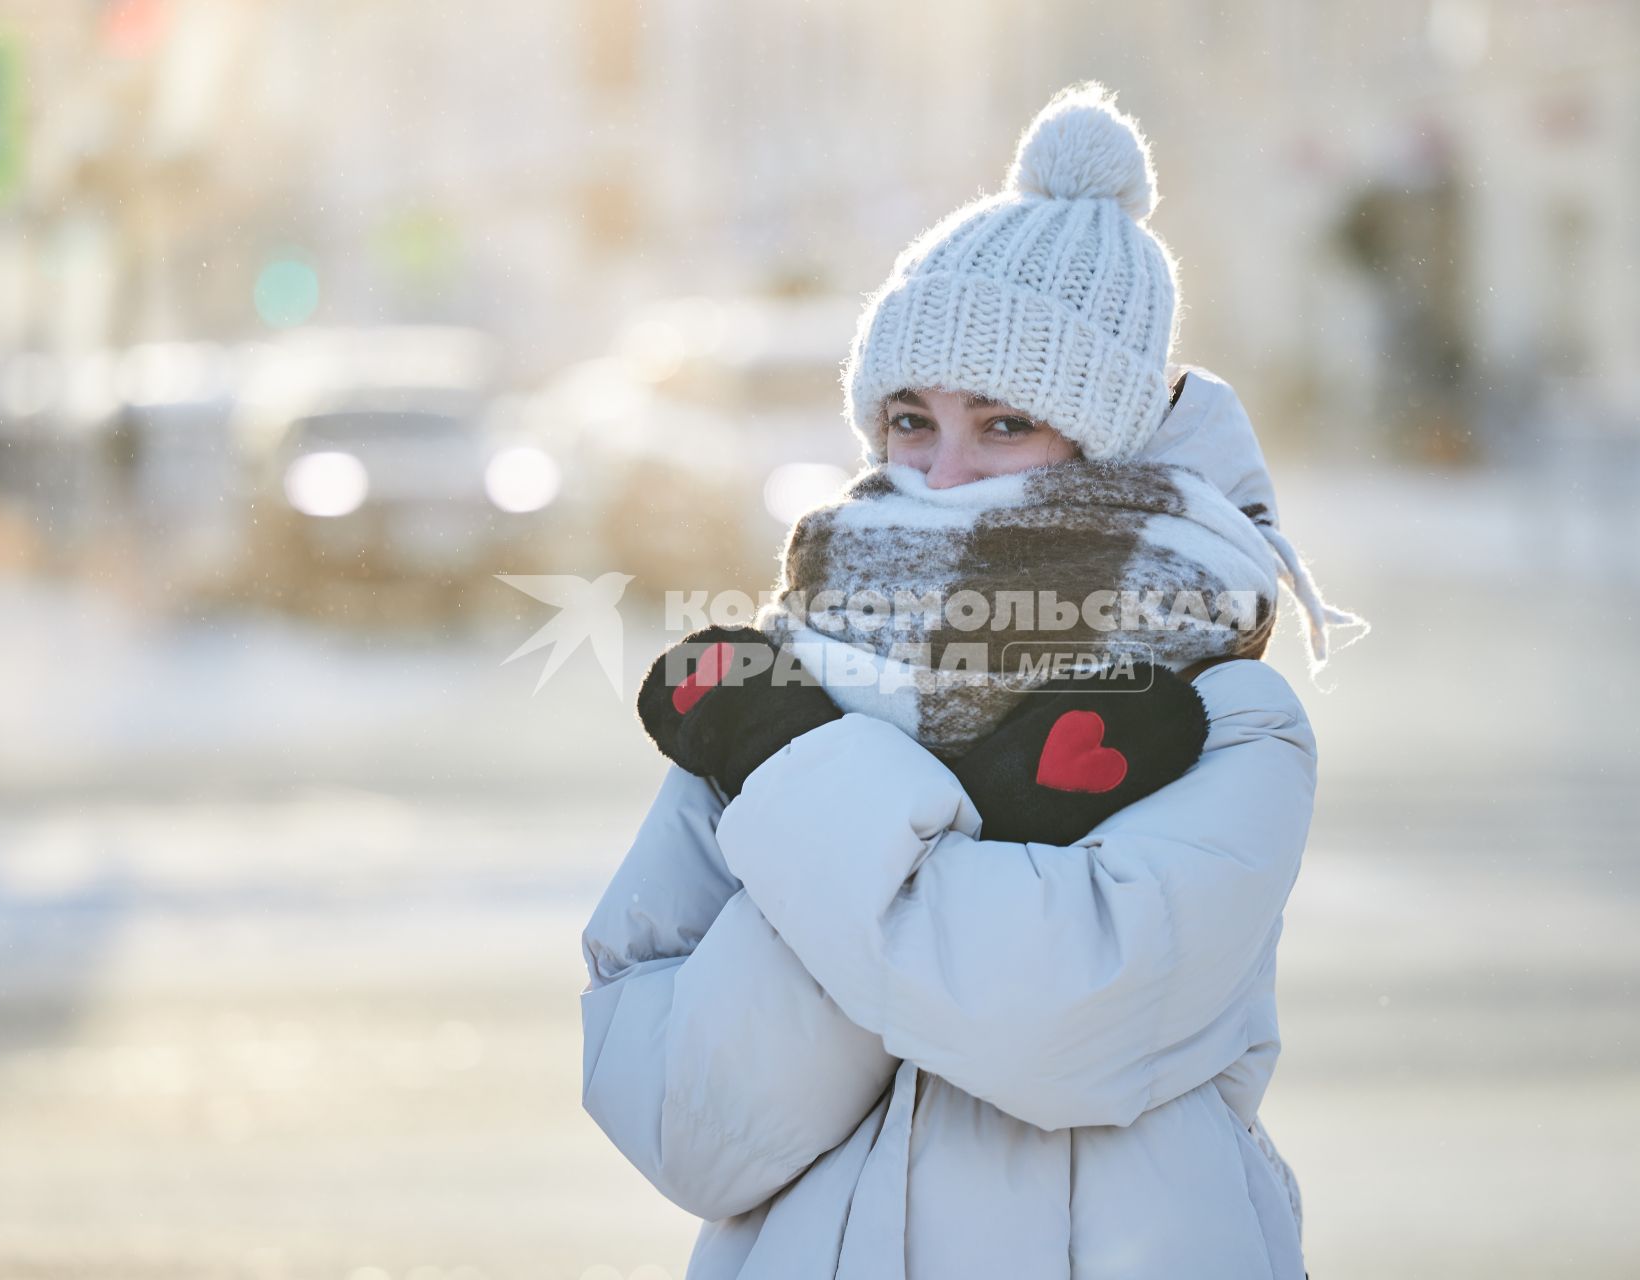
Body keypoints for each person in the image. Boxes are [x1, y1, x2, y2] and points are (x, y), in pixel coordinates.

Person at [580, 81, 1366, 1279]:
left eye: (1004, 424)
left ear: (1102, 437)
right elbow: (685, 1121)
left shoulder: (1223, 715)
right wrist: (918, 803)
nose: (941, 476)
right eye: (909, 419)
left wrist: (799, 779)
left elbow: (1052, 1030)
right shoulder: (796, 673)